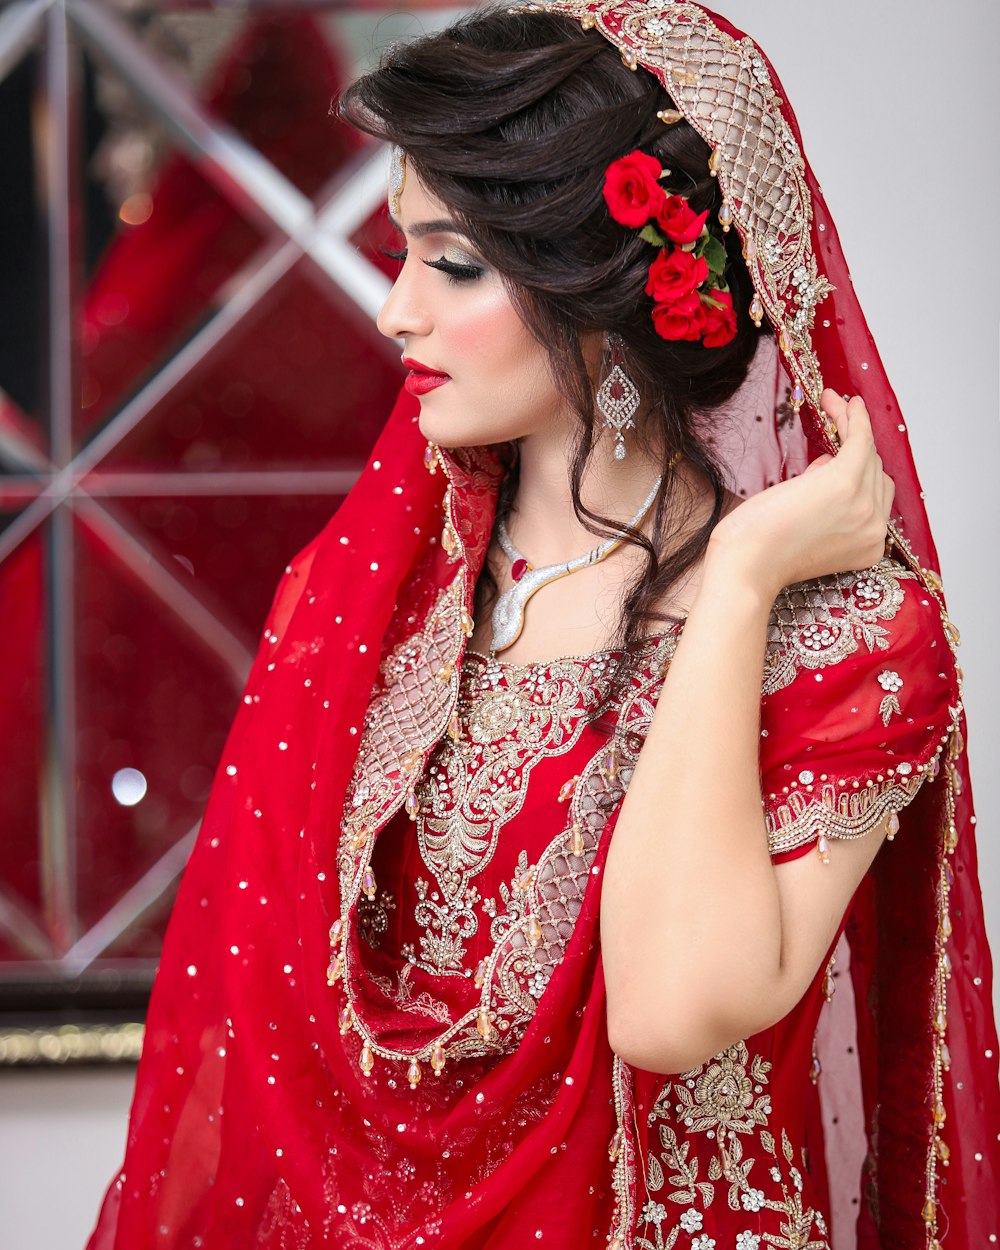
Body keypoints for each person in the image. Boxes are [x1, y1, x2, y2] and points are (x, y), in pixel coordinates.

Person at [87, 3, 1000, 1247]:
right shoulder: (378, 606)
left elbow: (670, 1010)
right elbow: (256, 1056)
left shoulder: (842, 635)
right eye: (400, 252)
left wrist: (735, 583)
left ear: (601, 288)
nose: (391, 311)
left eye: (449, 262)